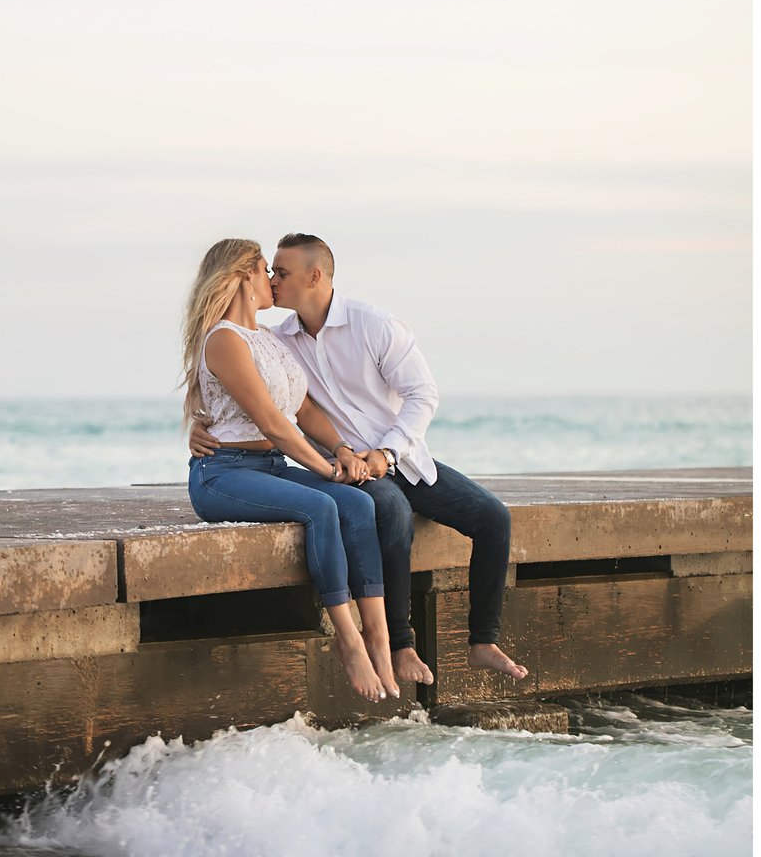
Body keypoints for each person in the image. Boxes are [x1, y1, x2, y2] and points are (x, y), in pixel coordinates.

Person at [191, 233, 528, 683]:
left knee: (493, 517)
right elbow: (257, 404)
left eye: (282, 272)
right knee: (387, 508)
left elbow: (422, 394)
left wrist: (385, 452)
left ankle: (483, 640)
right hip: (345, 467)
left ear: (315, 276)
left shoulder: (373, 325)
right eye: (267, 270)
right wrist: (204, 423)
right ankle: (399, 645)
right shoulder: (278, 337)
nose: (272, 279)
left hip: (396, 454)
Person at [180, 237, 402, 704]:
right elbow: (272, 423)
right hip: (222, 474)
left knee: (357, 503)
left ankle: (380, 640)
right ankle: (349, 641)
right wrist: (325, 468)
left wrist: (340, 450)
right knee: (322, 506)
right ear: (243, 275)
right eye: (266, 271)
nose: (272, 281)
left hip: (268, 467)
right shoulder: (223, 339)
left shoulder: (270, 340)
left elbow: (302, 410)